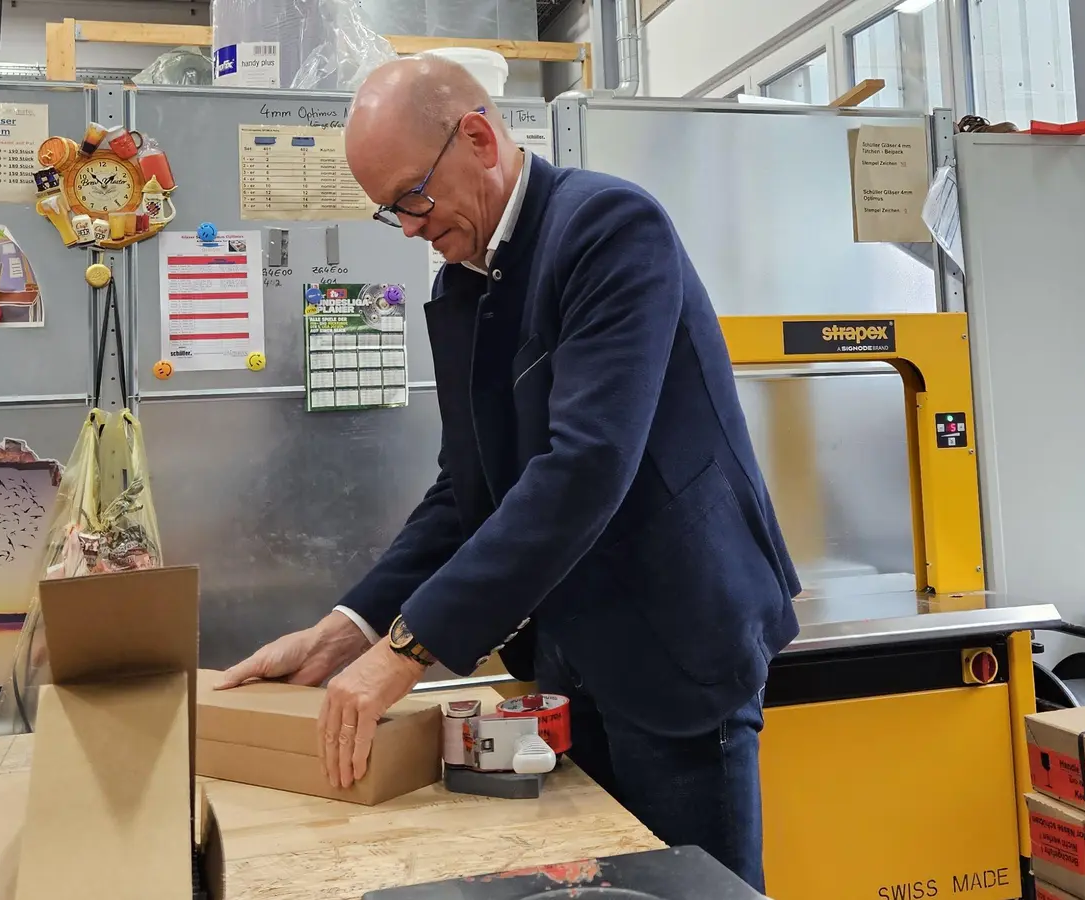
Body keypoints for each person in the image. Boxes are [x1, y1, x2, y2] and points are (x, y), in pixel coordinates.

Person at [216, 55, 800, 890]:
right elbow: (468, 489)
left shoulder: (609, 230)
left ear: (480, 139)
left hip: (677, 644)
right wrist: (348, 628)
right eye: (391, 213)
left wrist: (407, 651)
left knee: (691, 886)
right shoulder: (467, 280)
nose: (409, 228)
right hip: (575, 652)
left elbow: (587, 466)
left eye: (412, 198)